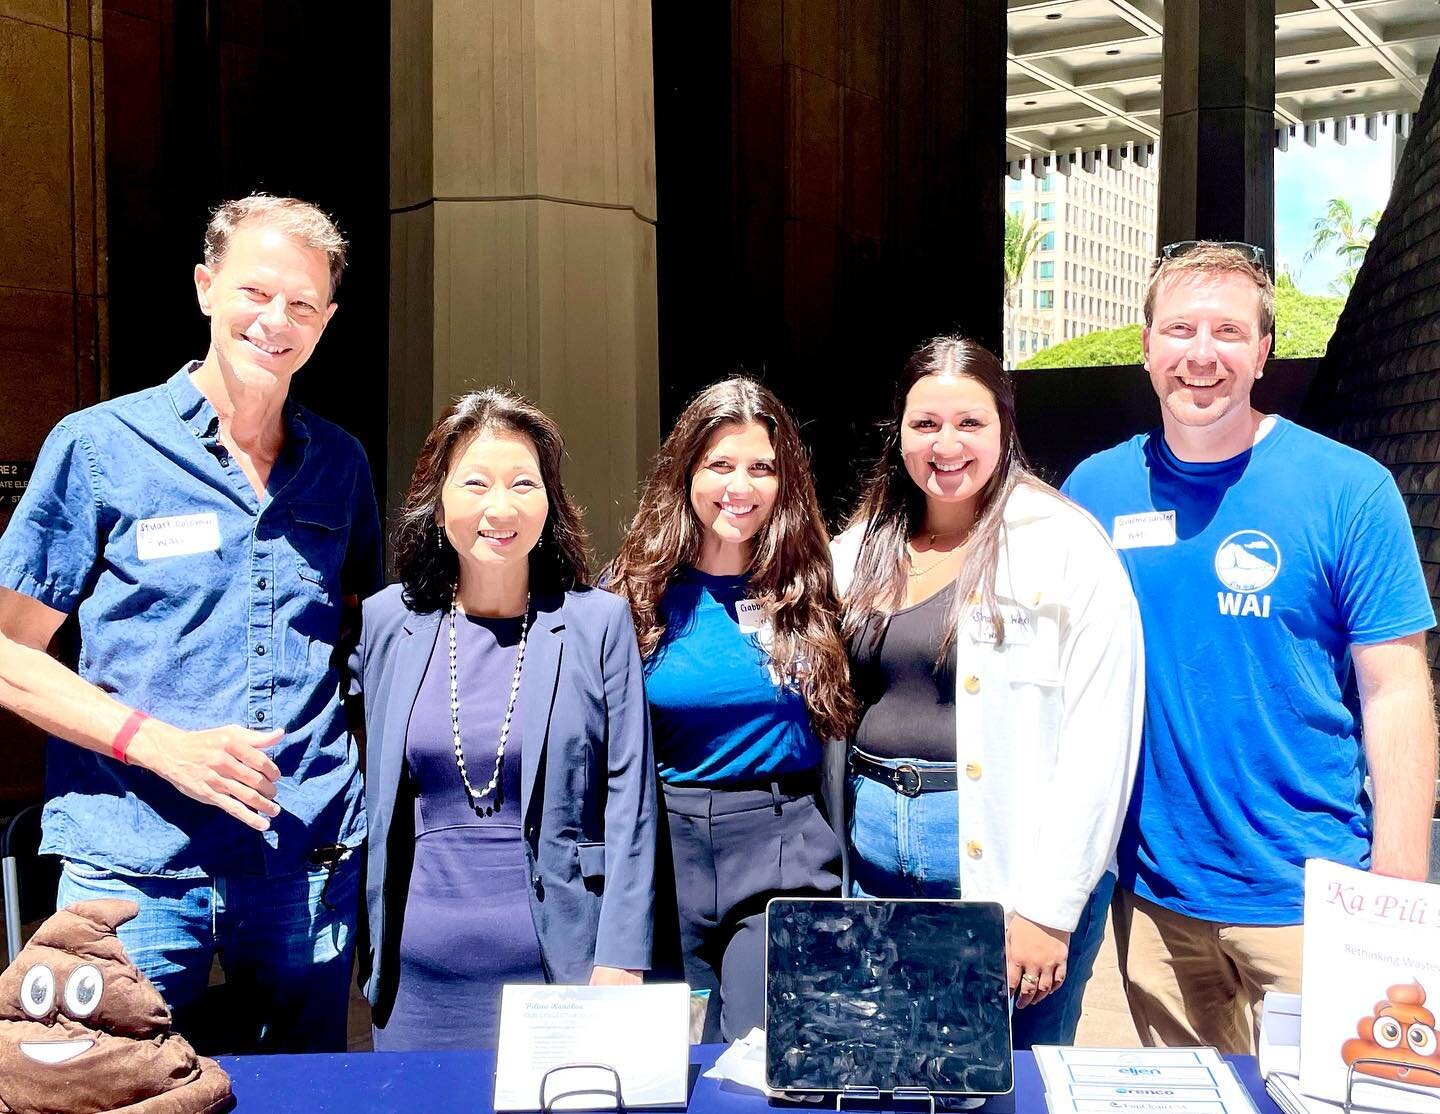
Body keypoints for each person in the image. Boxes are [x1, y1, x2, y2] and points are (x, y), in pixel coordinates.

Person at [0, 194, 382, 1053]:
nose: (275, 320)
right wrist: (157, 742)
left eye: (301, 304)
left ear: (326, 320)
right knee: (104, 1090)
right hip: (133, 867)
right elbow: (6, 651)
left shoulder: (341, 466)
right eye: (255, 292)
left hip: (304, 863)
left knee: (306, 1098)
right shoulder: (99, 447)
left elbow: (361, 638)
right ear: (207, 287)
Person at [1063, 241, 1438, 1053]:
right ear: (1146, 346)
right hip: (1149, 906)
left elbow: (1397, 690)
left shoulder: (1349, 490)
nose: (1202, 355)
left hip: (1310, 901)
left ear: (1264, 352)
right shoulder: (1091, 492)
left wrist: (1398, 893)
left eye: (1229, 333)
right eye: (1181, 330)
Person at [830, 336, 1142, 1049]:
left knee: (1006, 1081)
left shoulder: (1064, 545)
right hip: (876, 888)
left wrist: (1049, 910)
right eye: (926, 423)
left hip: (1010, 894)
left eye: (970, 423)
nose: (947, 444)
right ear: (900, 432)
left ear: (1004, 428)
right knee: (894, 1070)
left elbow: (1102, 741)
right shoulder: (859, 549)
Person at [353, 388, 657, 1051]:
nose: (501, 506)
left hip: (562, 974)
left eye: (524, 483)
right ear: (438, 502)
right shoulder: (388, 623)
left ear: (549, 503)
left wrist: (622, 956)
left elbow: (632, 803)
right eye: (476, 483)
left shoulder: (595, 622)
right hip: (418, 983)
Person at [606, 377, 857, 1043]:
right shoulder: (633, 592)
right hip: (666, 849)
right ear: (686, 472)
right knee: (672, 1060)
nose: (739, 487)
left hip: (781, 845)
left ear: (785, 480)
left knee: (764, 1055)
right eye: (720, 465)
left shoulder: (814, 585)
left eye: (761, 468)